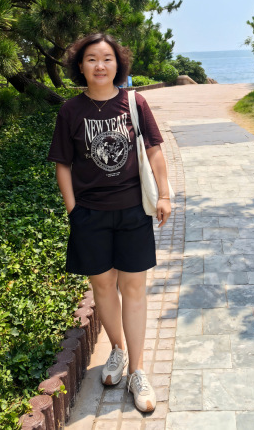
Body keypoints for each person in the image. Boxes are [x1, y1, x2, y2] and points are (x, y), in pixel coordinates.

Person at [47, 32, 171, 413]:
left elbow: (154, 151)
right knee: (103, 287)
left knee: (133, 289)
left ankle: (138, 370)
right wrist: (74, 211)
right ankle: (117, 349)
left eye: (107, 58)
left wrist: (164, 195)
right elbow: (62, 165)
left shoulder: (134, 102)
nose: (100, 65)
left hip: (133, 212)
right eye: (91, 59)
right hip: (90, 215)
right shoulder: (71, 111)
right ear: (80, 66)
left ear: (118, 64)